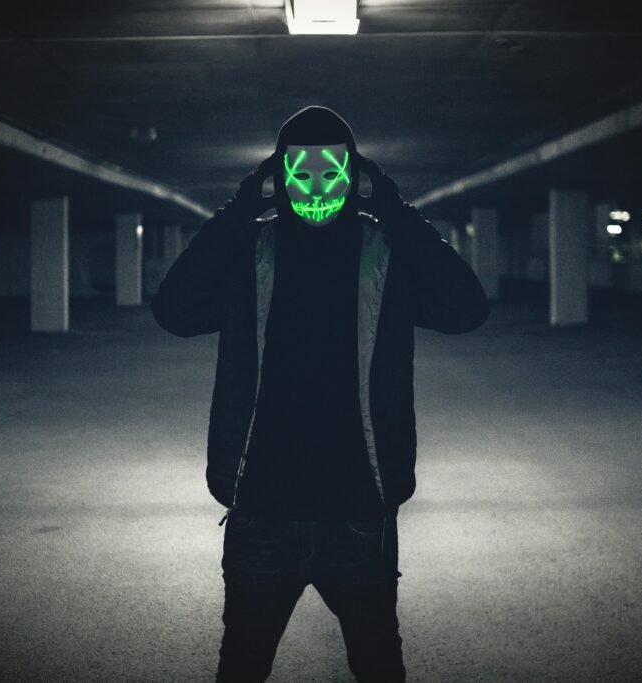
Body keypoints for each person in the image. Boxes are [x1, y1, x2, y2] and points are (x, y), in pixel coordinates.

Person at [151, 106, 489, 682]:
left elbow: (467, 308)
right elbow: (174, 310)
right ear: (278, 176)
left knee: (379, 664)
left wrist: (397, 211)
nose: (316, 188)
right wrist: (237, 211)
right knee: (242, 667)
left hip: (358, 511)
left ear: (353, 175)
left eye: (330, 173)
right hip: (261, 511)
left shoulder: (384, 254)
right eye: (299, 174)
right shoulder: (249, 255)